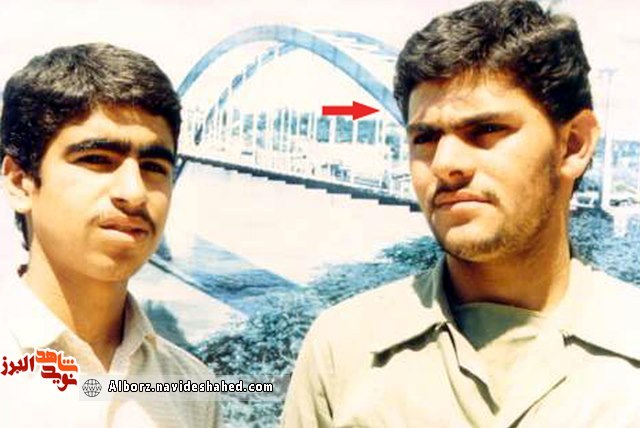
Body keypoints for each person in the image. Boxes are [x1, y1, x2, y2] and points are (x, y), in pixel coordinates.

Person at [282, 0, 640, 426]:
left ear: (573, 145)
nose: (445, 163)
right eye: (425, 138)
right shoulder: (341, 350)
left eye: (486, 130)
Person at [0, 43, 219, 427]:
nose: (134, 192)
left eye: (154, 166)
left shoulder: (190, 389)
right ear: (20, 182)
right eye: (97, 160)